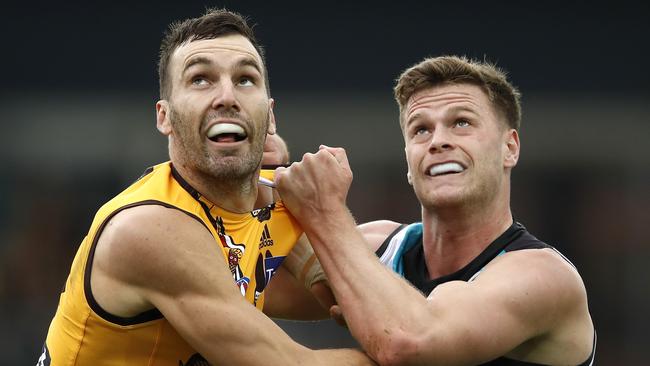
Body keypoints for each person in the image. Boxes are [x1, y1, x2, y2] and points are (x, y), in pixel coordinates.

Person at [38, 9, 374, 366]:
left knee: (379, 239)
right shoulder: (150, 228)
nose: (226, 96)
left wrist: (318, 226)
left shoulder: (266, 202)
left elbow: (342, 298)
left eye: (245, 79)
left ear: (270, 116)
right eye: (201, 79)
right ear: (164, 117)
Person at [275, 55, 596, 365]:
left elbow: (408, 343)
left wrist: (326, 214)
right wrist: (252, 175)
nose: (438, 141)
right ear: (408, 160)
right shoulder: (374, 247)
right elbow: (242, 287)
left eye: (461, 123)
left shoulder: (544, 277)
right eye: (421, 130)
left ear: (509, 148)